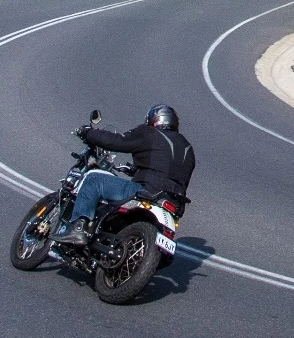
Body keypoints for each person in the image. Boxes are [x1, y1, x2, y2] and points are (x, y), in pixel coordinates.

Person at [53, 103, 195, 245]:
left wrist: (89, 133)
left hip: (147, 191)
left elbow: (117, 141)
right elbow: (169, 171)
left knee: (94, 179)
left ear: (154, 119)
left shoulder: (150, 133)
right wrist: (136, 170)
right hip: (173, 203)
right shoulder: (188, 149)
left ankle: (78, 228)